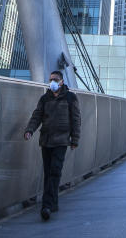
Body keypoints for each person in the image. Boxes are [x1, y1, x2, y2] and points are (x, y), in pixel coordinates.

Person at [24, 69, 80, 221]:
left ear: (61, 81)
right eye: (50, 80)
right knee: (49, 173)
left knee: (55, 171)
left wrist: (75, 140)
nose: (52, 82)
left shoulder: (70, 98)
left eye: (55, 79)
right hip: (46, 140)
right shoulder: (44, 98)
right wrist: (30, 130)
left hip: (61, 140)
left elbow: (76, 120)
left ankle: (46, 206)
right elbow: (37, 116)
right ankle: (53, 203)